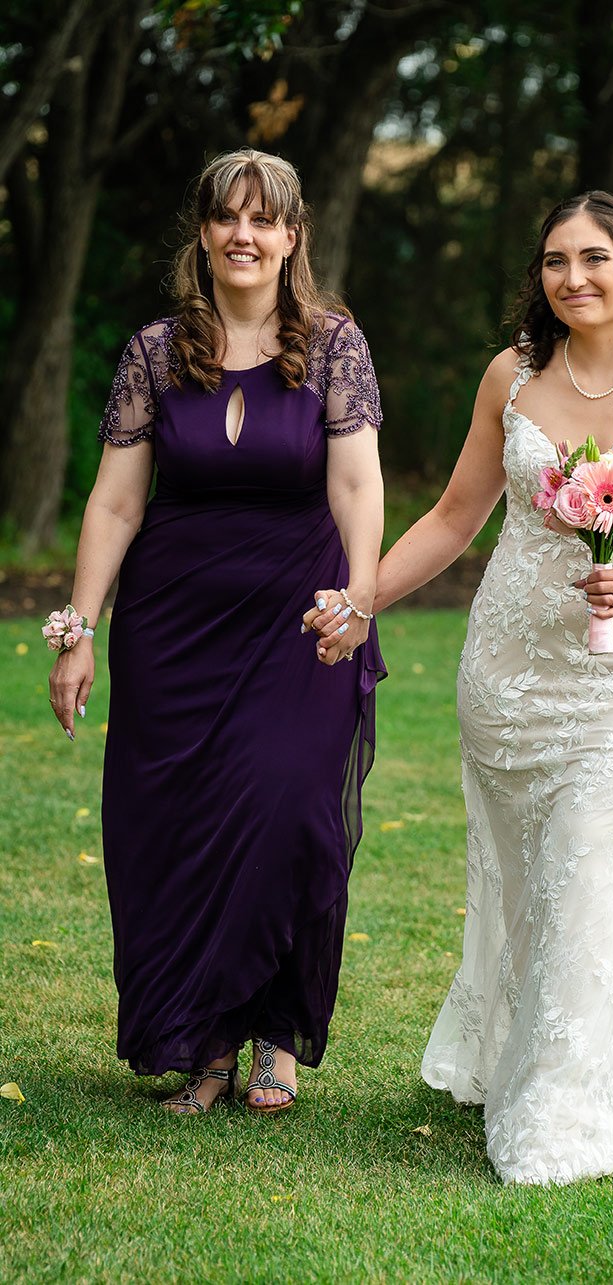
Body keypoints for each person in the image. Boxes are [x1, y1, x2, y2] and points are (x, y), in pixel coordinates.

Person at [309, 191, 613, 1184]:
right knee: (529, 881)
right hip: (510, 671)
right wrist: (360, 600)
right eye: (556, 260)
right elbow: (450, 518)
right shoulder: (511, 378)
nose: (574, 277)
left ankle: (566, 1103)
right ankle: (515, 1049)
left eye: (595, 258)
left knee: (591, 858)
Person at [46, 148, 385, 1115]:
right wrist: (80, 629)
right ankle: (201, 1042)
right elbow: (114, 504)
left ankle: (275, 1032)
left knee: (289, 810)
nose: (244, 234)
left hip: (300, 615)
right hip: (174, 625)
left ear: (292, 237)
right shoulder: (156, 351)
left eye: (263, 218)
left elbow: (358, 485)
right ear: (203, 233)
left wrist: (359, 597)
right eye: (226, 216)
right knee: (179, 827)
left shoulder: (331, 345)